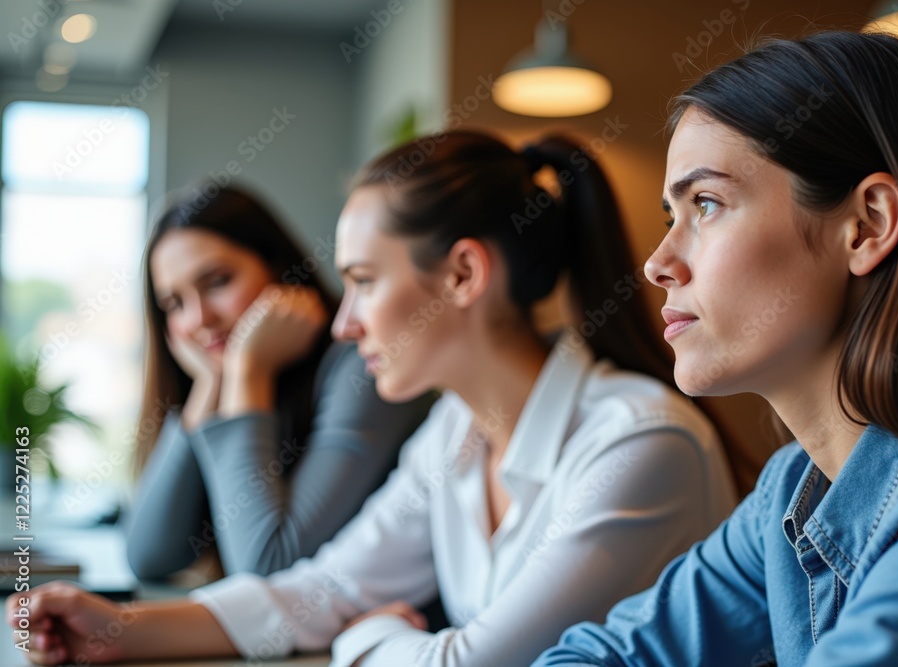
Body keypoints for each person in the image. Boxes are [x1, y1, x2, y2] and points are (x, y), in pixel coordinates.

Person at [8, 131, 737, 666]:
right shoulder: (457, 430)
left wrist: (368, 635)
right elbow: (325, 586)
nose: (342, 319)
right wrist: (118, 629)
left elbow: (474, 664)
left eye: (364, 279)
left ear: (461, 276)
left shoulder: (640, 442)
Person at [533, 30, 898, 666]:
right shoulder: (789, 495)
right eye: (672, 215)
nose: (657, 263)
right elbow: (597, 654)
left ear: (867, 226)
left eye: (707, 203)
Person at [124, 184, 434, 579]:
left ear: (278, 268)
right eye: (174, 304)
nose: (198, 319)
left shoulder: (365, 365)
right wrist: (211, 386)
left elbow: (268, 568)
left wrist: (248, 372)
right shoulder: (222, 378)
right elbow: (148, 557)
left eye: (217, 282)